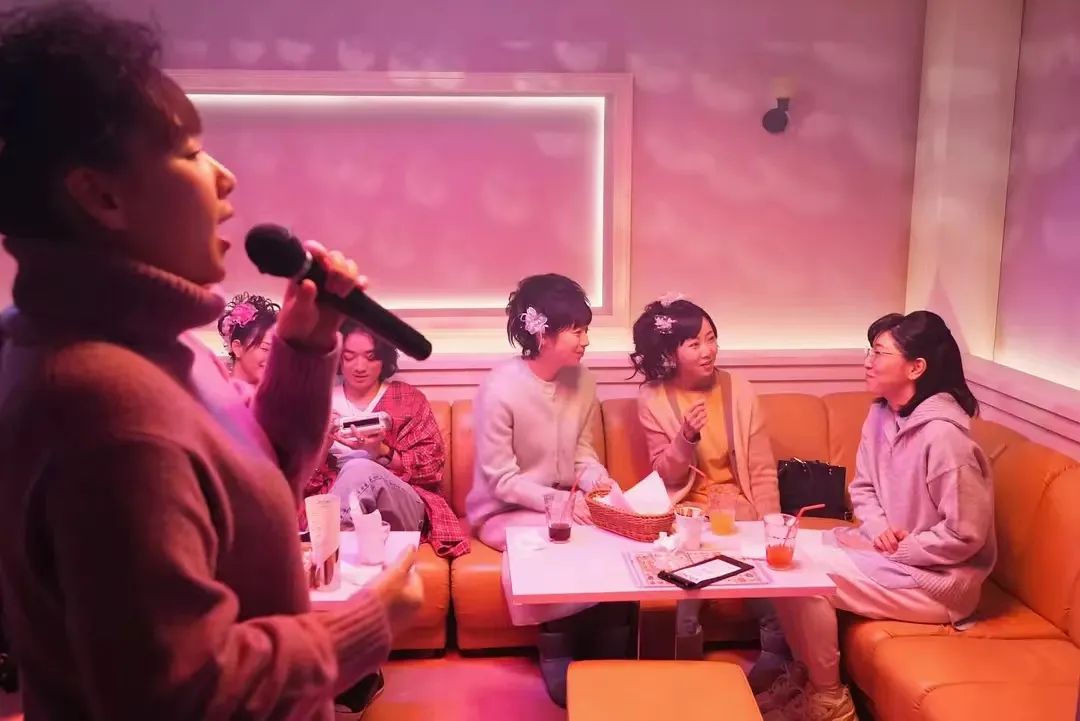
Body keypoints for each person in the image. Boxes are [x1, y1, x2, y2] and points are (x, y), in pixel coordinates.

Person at [0, 4, 422, 720]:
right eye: (191, 152)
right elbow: (184, 694)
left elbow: (252, 485)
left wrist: (303, 347)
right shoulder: (103, 403)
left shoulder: (147, 346)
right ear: (101, 195)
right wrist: (365, 624)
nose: (225, 178)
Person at [757, 311, 996, 721]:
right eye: (869, 350)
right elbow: (864, 488)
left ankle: (830, 700)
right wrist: (880, 529)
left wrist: (906, 547)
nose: (867, 361)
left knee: (807, 576)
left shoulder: (945, 438)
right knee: (786, 550)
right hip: (888, 555)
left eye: (880, 353)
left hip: (937, 583)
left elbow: (966, 534)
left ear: (916, 367)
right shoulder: (881, 415)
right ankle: (803, 677)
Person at [465, 273, 632, 707]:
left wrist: (599, 482)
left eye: (585, 329)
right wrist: (559, 503)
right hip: (503, 510)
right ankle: (556, 647)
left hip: (564, 500)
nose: (586, 340)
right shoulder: (499, 388)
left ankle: (612, 647)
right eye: (577, 330)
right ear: (542, 334)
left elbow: (582, 453)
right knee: (559, 536)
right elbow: (501, 480)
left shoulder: (583, 381)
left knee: (615, 529)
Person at [631, 295, 785, 669]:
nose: (708, 351)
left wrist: (772, 526)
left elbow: (762, 469)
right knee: (685, 593)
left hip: (740, 512)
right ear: (670, 352)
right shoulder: (653, 397)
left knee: (770, 590)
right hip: (688, 515)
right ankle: (688, 671)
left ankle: (775, 666)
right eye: (694, 343)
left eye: (711, 338)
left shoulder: (740, 390)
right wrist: (685, 437)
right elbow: (665, 475)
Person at [305, 320, 468, 558]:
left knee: (359, 466)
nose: (359, 366)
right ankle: (344, 551)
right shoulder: (322, 403)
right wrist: (324, 444)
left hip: (401, 505)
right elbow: (302, 484)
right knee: (351, 472)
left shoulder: (408, 399)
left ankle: (325, 550)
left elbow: (432, 470)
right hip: (336, 498)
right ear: (339, 358)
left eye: (370, 357)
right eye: (349, 357)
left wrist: (381, 451)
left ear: (383, 359)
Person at [217, 292, 280, 388]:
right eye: (265, 348)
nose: (273, 358)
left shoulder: (276, 395)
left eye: (275, 351)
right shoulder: (216, 392)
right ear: (237, 347)